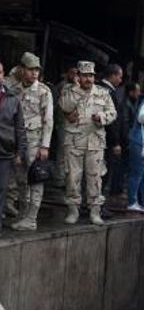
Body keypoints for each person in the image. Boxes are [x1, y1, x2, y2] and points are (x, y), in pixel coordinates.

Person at [58, 61, 117, 225]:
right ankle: (73, 210)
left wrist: (102, 118)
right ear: (79, 76)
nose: (88, 79)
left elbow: (113, 113)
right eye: (84, 76)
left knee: (95, 177)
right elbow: (65, 106)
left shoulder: (103, 93)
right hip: (74, 141)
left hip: (95, 142)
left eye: (90, 75)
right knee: (72, 177)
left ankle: (95, 210)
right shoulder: (68, 90)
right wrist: (77, 89)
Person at [5, 52, 53, 231]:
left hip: (35, 141)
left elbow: (48, 120)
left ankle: (32, 218)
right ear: (22, 70)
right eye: (31, 69)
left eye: (37, 70)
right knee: (21, 180)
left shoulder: (43, 91)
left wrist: (45, 145)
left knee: (35, 180)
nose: (35, 73)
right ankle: (23, 214)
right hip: (17, 142)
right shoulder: (15, 89)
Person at [0, 78, 27, 237]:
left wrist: (20, 151)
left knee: (2, 188)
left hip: (5, 151)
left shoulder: (12, 99)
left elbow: (20, 127)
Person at [96, 64, 126, 199]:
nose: (120, 80)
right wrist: (115, 142)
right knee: (102, 172)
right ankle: (98, 203)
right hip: (104, 139)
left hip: (100, 138)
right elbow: (111, 121)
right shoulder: (107, 92)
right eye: (119, 77)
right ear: (113, 75)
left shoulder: (101, 89)